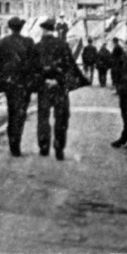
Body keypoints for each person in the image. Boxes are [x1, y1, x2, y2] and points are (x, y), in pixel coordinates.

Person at [34, 17, 89, 160]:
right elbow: (70, 66)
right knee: (61, 118)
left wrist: (44, 80)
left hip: (44, 88)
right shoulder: (63, 45)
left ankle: (44, 148)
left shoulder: (37, 46)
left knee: (43, 118)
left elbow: (33, 69)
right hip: (60, 88)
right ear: (54, 30)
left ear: (43, 30)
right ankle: (59, 149)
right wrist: (58, 81)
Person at [0, 16, 38, 157]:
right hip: (24, 83)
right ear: (21, 27)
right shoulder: (29, 42)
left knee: (12, 111)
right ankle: (16, 142)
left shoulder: (2, 42)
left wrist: (6, 73)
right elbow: (34, 63)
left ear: (10, 27)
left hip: (9, 83)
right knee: (21, 112)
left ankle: (13, 141)